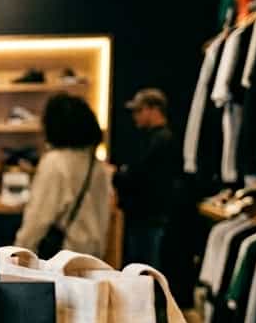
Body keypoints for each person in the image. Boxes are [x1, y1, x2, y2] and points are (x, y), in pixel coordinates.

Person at [14, 94, 112, 259]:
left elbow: (38, 218)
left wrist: (18, 253)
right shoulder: (97, 166)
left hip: (62, 260)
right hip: (93, 259)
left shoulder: (55, 162)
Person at [113, 88, 178, 269]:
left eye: (139, 110)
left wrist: (118, 174)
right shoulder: (155, 138)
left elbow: (141, 176)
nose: (135, 116)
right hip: (147, 216)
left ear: (153, 109)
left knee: (146, 269)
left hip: (150, 217)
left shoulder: (161, 140)